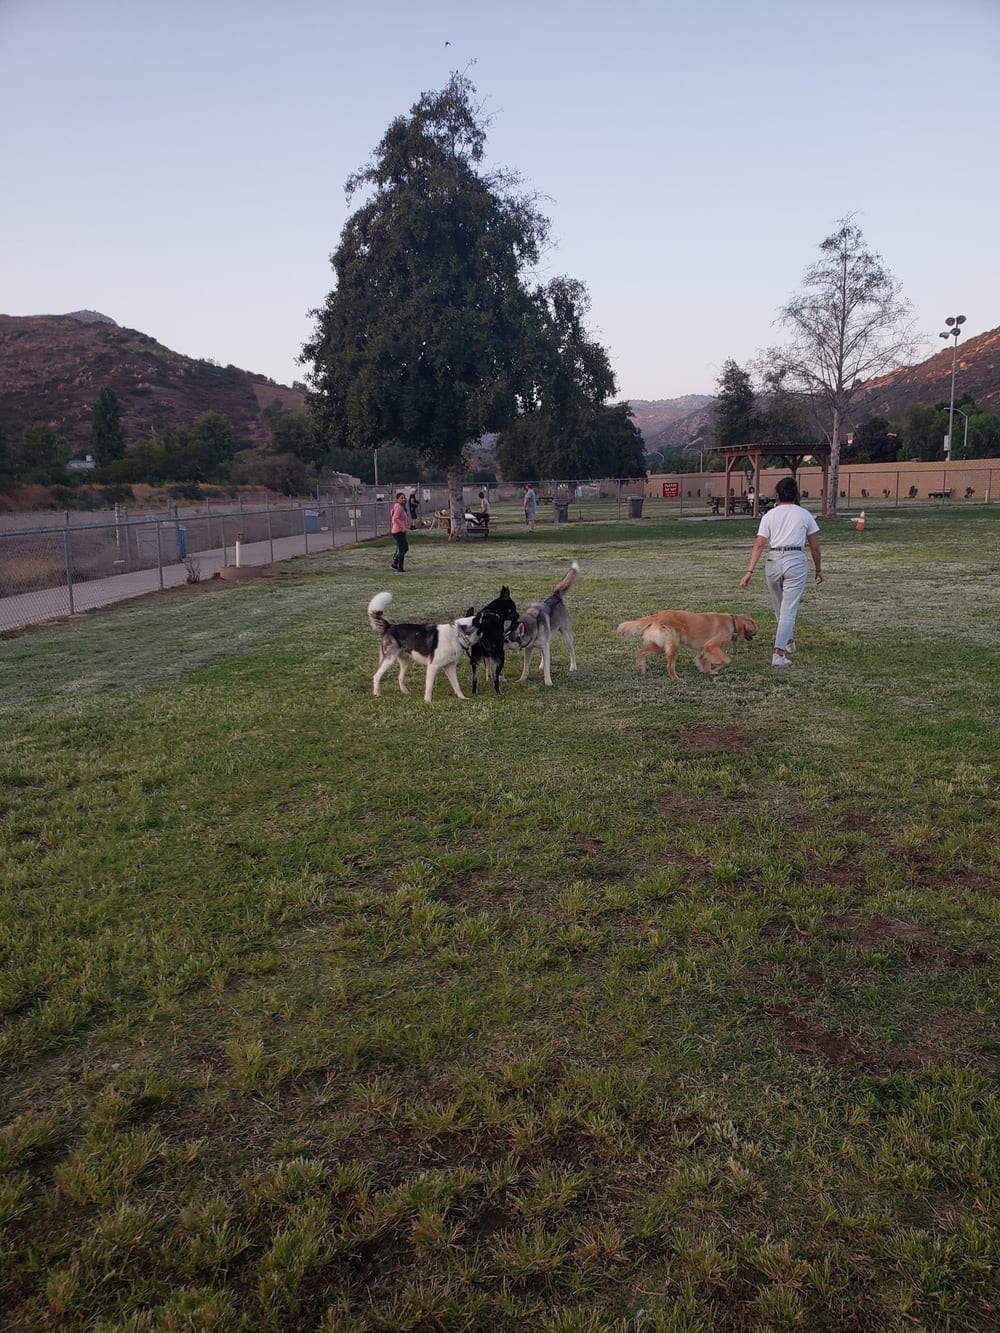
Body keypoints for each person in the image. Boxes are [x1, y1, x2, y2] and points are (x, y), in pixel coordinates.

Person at [739, 476, 823, 666]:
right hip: (795, 560)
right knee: (788, 609)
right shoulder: (804, 514)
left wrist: (749, 571)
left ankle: (789, 640)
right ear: (796, 493)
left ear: (777, 494)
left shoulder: (770, 515)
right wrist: (818, 569)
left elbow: (759, 545)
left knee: (780, 607)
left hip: (773, 560)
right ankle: (779, 653)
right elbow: (815, 547)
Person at [390, 491, 410, 572]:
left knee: (405, 548)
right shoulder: (398, 506)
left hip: (399, 531)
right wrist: (402, 527)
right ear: (397, 499)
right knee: (402, 549)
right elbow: (395, 518)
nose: (403, 499)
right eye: (401, 498)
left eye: (404, 498)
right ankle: (400, 567)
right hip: (398, 531)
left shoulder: (398, 506)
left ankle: (395, 563)